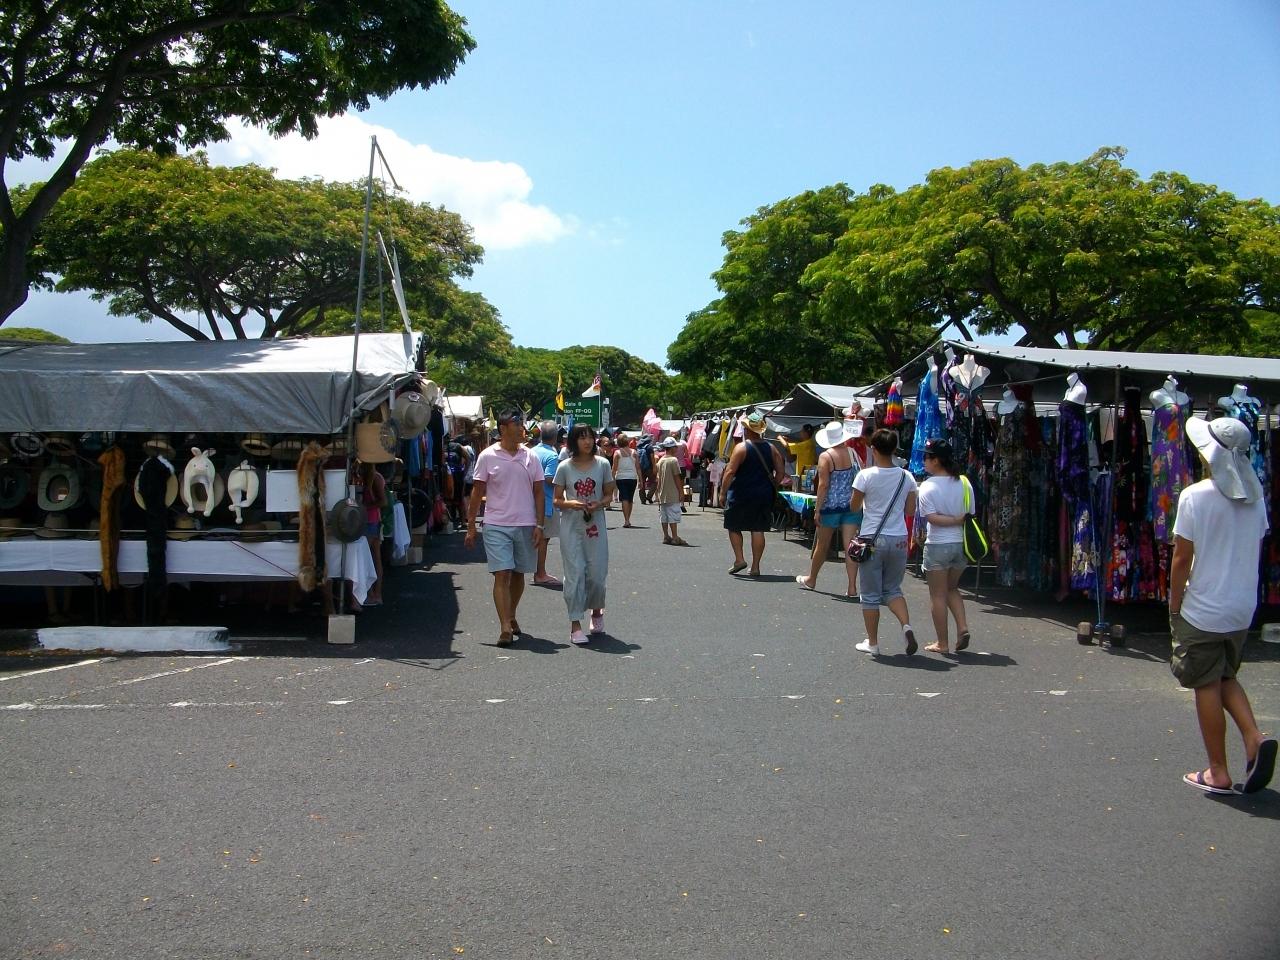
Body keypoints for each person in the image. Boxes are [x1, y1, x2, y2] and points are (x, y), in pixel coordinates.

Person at [1170, 416, 1275, 795]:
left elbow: (1182, 558)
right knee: (1225, 674)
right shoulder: (1256, 498)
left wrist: (1174, 605)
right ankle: (1254, 737)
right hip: (1241, 606)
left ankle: (1218, 771)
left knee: (1205, 682)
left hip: (1204, 606)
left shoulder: (1194, 496)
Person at [464, 409, 547, 647]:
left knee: (519, 573)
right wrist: (471, 525)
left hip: (525, 523)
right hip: (496, 524)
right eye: (517, 423)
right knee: (502, 573)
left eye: (522, 423)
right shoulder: (487, 456)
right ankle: (504, 627)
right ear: (503, 428)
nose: (522, 428)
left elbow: (539, 492)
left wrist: (540, 524)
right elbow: (477, 491)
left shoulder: (531, 456)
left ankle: (510, 614)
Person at [850, 428, 919, 657]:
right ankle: (906, 626)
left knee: (870, 595)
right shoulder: (907, 477)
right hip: (899, 538)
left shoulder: (865, 475)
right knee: (893, 589)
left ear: (874, 449)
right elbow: (910, 510)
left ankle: (873, 642)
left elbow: (854, 506)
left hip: (872, 538)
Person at [553, 424, 616, 644]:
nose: (587, 442)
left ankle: (597, 610)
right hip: (571, 527)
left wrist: (599, 503)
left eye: (589, 437)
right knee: (574, 574)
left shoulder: (603, 464)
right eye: (581, 438)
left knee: (597, 574)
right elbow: (557, 500)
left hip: (595, 526)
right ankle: (575, 624)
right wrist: (571, 503)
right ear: (573, 441)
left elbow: (609, 494)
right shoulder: (564, 467)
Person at [916, 438, 971, 654]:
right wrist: (957, 520)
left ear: (936, 460)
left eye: (926, 457)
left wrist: (953, 520)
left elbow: (931, 518)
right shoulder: (964, 482)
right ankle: (963, 628)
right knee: (952, 588)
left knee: (937, 595)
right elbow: (969, 513)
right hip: (960, 544)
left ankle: (942, 643)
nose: (923, 461)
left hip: (938, 544)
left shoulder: (928, 486)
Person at [795, 420, 861, 596]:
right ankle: (852, 587)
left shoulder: (826, 457)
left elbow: (823, 485)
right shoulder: (852, 453)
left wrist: (817, 510)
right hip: (852, 505)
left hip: (831, 506)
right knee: (850, 546)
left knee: (822, 545)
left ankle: (812, 579)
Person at [718, 409, 785, 576]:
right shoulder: (771, 448)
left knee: (733, 525)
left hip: (740, 493)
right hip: (763, 494)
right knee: (758, 529)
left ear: (748, 430)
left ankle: (739, 559)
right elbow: (781, 472)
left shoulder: (741, 448)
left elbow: (730, 472)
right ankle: (755, 567)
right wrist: (772, 485)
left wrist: (722, 492)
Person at [531, 421, 562, 586]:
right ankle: (540, 573)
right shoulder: (552, 455)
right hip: (546, 502)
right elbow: (549, 478)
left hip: (529, 500)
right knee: (543, 538)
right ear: (555, 437)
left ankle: (534, 571)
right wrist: (562, 481)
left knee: (534, 537)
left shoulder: (531, 451)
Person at [356, 459, 386, 606]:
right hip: (373, 521)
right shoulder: (372, 477)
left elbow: (383, 501)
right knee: (375, 558)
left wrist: (364, 506)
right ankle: (376, 594)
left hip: (370, 522)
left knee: (367, 559)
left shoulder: (374, 478)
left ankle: (372, 594)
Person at [656, 437, 689, 546]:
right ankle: (675, 537)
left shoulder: (660, 460)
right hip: (673, 492)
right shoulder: (674, 460)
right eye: (675, 446)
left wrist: (658, 492)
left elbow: (658, 478)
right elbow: (677, 477)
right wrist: (681, 492)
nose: (677, 448)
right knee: (673, 515)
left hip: (663, 493)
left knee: (664, 516)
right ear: (671, 448)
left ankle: (666, 536)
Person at [611, 433, 640, 527]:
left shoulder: (617, 453)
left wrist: (612, 478)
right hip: (632, 477)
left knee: (624, 497)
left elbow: (614, 468)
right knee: (630, 498)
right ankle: (628, 518)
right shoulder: (634, 452)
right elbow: (638, 468)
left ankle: (626, 520)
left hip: (621, 477)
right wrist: (641, 480)